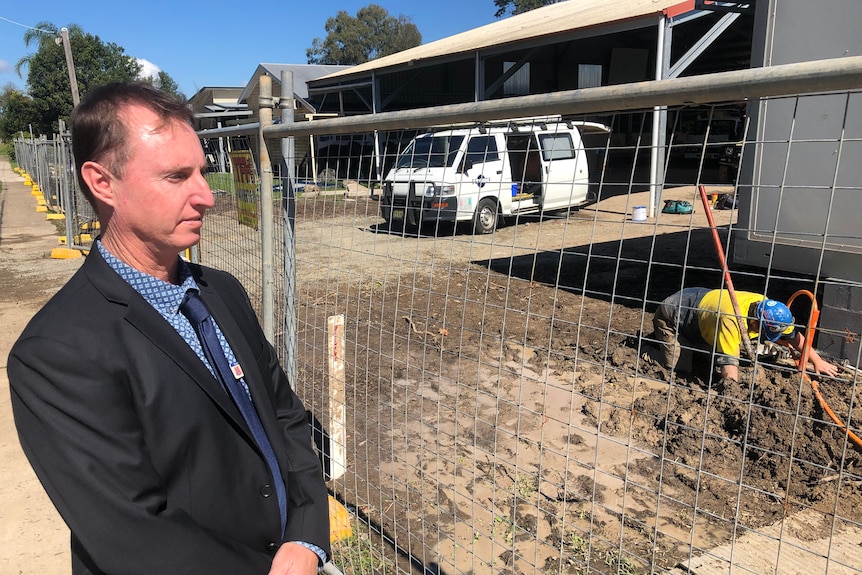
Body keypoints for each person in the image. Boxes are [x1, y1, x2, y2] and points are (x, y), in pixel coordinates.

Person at [8, 82, 330, 575]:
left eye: (202, 171)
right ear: (102, 182)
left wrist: (307, 535)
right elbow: (132, 535)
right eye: (177, 176)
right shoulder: (56, 352)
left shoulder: (221, 291)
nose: (207, 196)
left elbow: (285, 416)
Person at [652, 287, 840, 382]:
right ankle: (648, 348)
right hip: (674, 313)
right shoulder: (731, 321)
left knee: (707, 355)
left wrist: (816, 360)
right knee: (680, 367)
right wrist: (733, 392)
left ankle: (684, 344)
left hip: (703, 311)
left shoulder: (770, 310)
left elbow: (794, 337)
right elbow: (729, 369)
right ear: (754, 322)